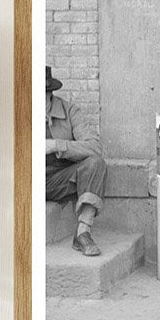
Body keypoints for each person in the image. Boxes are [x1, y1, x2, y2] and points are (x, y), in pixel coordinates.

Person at [45, 66, 107, 256]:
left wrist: (57, 145)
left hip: (59, 181)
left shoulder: (69, 111)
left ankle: (83, 232)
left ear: (49, 93)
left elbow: (95, 147)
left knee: (96, 163)